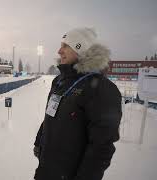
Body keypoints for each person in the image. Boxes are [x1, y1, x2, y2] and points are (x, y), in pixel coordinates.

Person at [33, 27, 122, 180]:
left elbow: (102, 147)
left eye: (65, 46)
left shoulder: (101, 88)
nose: (59, 51)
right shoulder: (59, 81)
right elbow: (51, 114)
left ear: (81, 49)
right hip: (46, 169)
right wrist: (39, 140)